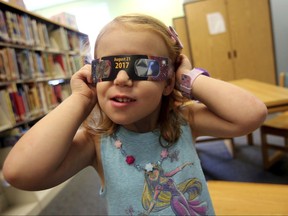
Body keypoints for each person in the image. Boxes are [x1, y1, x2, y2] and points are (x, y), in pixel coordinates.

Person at [3, 14, 267, 215]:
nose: (121, 78)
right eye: (107, 67)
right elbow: (18, 173)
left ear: (168, 82)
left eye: (142, 67)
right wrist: (81, 99)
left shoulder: (184, 121)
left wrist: (187, 78)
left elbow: (251, 115)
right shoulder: (95, 142)